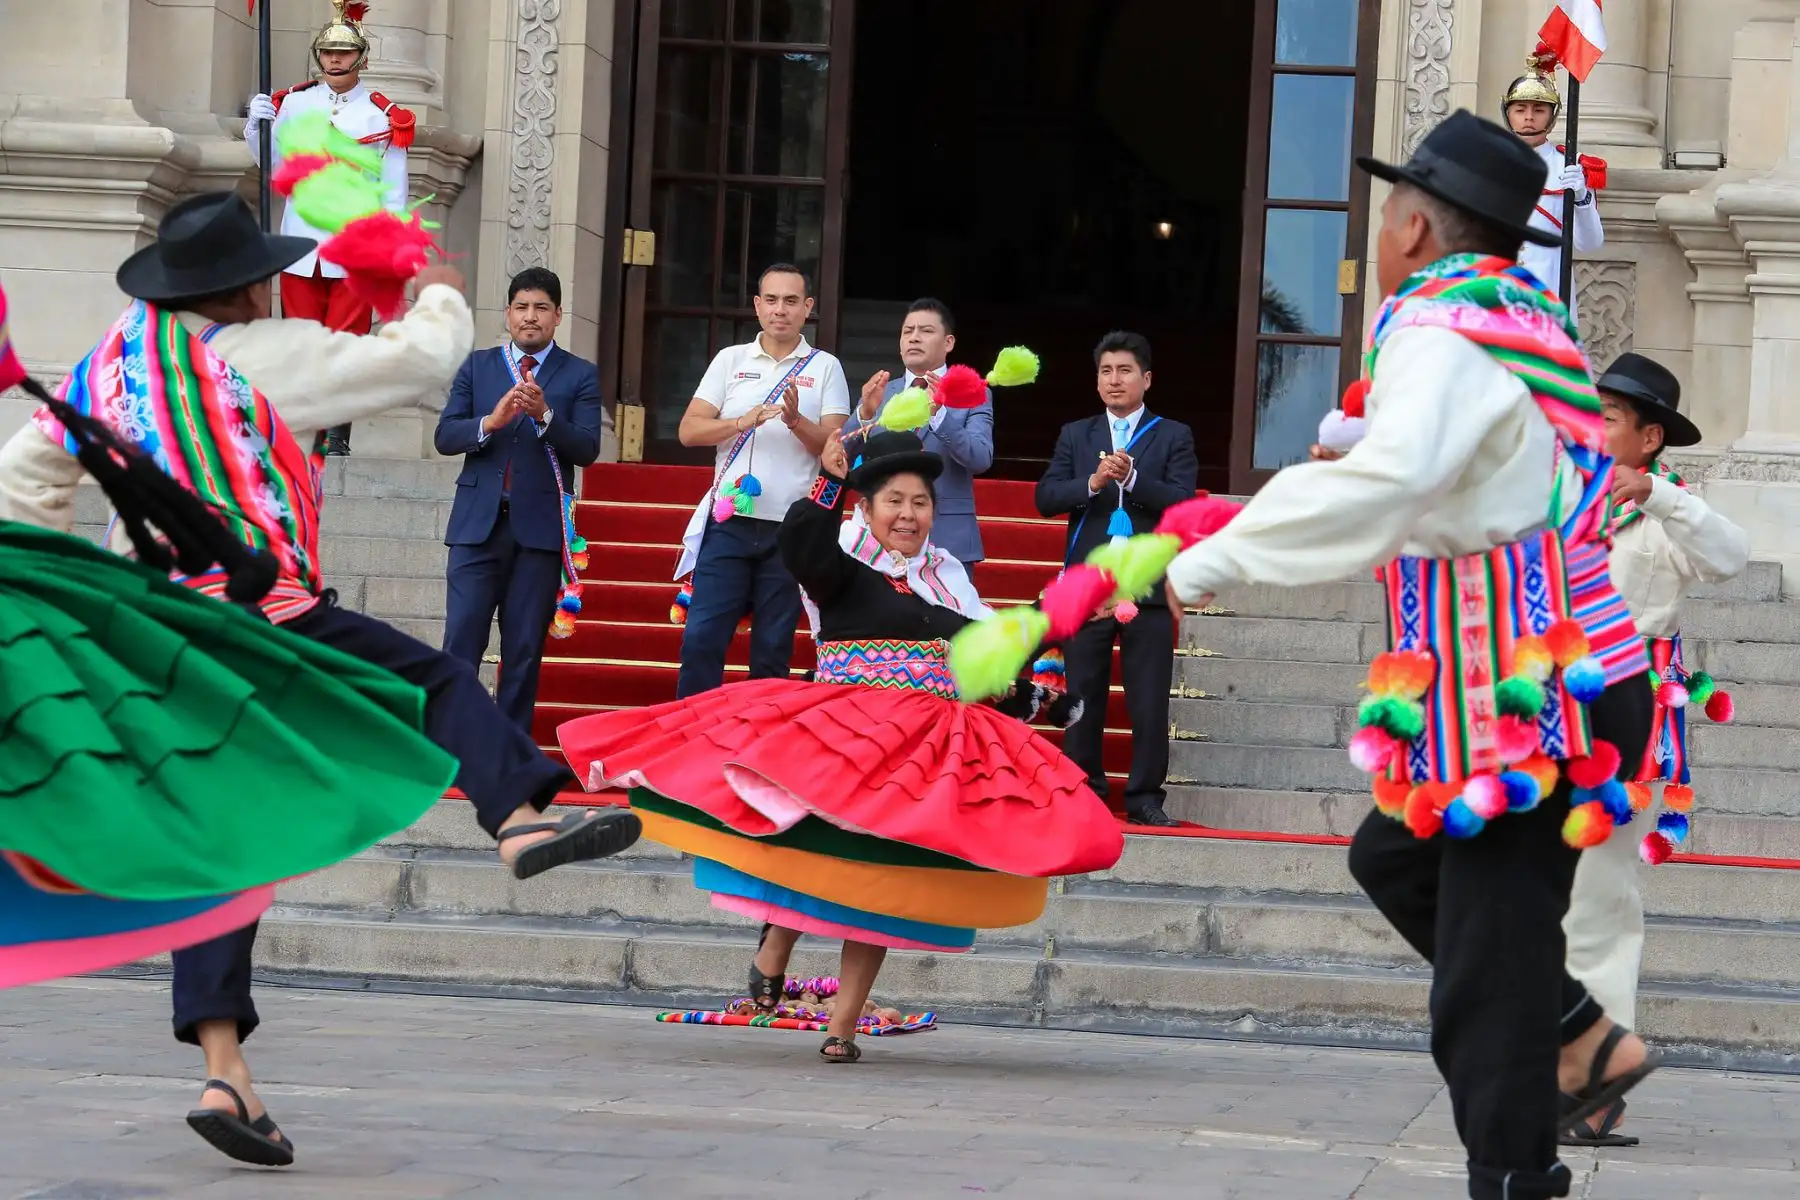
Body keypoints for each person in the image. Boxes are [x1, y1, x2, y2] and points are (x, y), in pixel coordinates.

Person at [0, 190, 640, 1168]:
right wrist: (434, 290)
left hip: (168, 643)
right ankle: (517, 816)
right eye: (264, 272)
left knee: (225, 851)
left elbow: (25, 479)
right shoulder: (260, 356)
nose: (274, 284)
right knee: (428, 682)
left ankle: (226, 1075)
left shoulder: (102, 369)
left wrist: (60, 600)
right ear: (243, 287)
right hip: (265, 621)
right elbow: (415, 364)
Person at [1162, 111, 1656, 1200]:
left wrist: (1214, 557)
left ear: (1419, 225)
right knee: (1396, 862)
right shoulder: (1515, 319)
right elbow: (1445, 461)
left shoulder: (1442, 333)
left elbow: (1396, 487)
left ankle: (1516, 1170)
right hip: (1554, 674)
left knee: (1486, 971)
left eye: (1390, 210)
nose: (1384, 227)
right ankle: (1576, 1033)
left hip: (1523, 698)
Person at [560, 429, 1123, 1062]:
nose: (909, 515)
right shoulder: (845, 568)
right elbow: (800, 546)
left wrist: (1068, 610)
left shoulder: (944, 581)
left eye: (920, 503)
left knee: (877, 881)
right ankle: (775, 949)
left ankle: (842, 1029)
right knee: (816, 851)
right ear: (867, 507)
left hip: (918, 752)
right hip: (847, 735)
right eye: (895, 502)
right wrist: (827, 482)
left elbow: (992, 645)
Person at [0, 345, 455, 996]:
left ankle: (220, 1052)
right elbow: (416, 353)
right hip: (210, 630)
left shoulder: (181, 381)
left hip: (211, 625)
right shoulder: (195, 373)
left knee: (228, 821)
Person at [1559, 353, 1748, 1148]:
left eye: (1607, 417)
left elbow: (1732, 556)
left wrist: (1662, 495)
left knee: (1601, 906)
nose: (1591, 428)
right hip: (1544, 719)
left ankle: (1595, 1086)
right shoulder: (1561, 497)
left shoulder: (1671, 516)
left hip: (1627, 724)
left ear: (1648, 438)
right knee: (1542, 901)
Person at [1035, 331, 1198, 826]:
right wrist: (1095, 482)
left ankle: (1146, 798)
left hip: (1147, 587)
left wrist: (1133, 481)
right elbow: (1046, 498)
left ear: (1146, 379)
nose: (1114, 380)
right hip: (1089, 589)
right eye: (1106, 371)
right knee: (1082, 692)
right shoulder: (1076, 434)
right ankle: (1085, 789)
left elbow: (1184, 503)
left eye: (1124, 371)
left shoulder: (1172, 435)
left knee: (1148, 698)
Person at [672, 263, 852, 697]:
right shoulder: (730, 360)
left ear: (808, 308)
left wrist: (795, 422)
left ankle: (758, 753)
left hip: (790, 531)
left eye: (791, 301)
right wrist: (740, 421)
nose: (780, 310)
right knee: (701, 641)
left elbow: (836, 447)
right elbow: (689, 430)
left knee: (771, 653)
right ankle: (692, 746)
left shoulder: (825, 367)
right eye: (771, 300)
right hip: (729, 524)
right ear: (757, 306)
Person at [244, 0, 415, 456]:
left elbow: (393, 191)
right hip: (301, 240)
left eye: (343, 52)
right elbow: (273, 167)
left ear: (361, 57)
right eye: (327, 52)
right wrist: (257, 127)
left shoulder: (383, 116)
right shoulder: (295, 103)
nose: (334, 60)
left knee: (346, 341)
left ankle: (335, 434)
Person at [436, 267, 602, 731]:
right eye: (522, 307)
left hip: (538, 531)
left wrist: (546, 415)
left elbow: (588, 448)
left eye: (541, 308)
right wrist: (490, 422)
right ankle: (454, 741)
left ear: (558, 316)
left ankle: (507, 749)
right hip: (476, 527)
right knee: (462, 637)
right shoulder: (479, 366)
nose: (531, 317)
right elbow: (445, 435)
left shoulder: (578, 375)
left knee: (524, 647)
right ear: (508, 313)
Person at [844, 298, 994, 563]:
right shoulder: (882, 390)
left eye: (925, 331)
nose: (914, 338)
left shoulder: (974, 393)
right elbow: (841, 456)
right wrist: (864, 414)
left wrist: (940, 416)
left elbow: (980, 458)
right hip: (881, 539)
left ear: (948, 343)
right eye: (907, 331)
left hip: (947, 539)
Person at [1502, 46, 1604, 319]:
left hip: (1546, 296)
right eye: (1520, 109)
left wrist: (1582, 197)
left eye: (1539, 109)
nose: (1528, 118)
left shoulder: (1569, 165)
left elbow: (1590, 243)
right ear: (1507, 113)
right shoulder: (1486, 164)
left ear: (1552, 115)